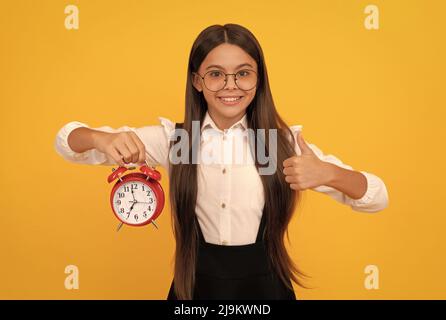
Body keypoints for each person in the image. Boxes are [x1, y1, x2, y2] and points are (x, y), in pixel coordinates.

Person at [54, 23, 389, 300]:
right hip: (193, 295)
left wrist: (328, 174)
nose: (231, 86)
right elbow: (67, 141)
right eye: (216, 74)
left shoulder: (280, 144)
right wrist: (102, 138)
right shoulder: (177, 140)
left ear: (258, 81)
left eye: (243, 74)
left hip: (267, 295)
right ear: (198, 81)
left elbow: (377, 197)